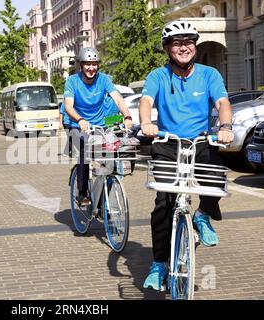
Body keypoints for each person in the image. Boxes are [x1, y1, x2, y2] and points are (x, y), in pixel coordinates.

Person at [139, 20, 234, 291]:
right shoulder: (158, 76)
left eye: (189, 42)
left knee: (216, 182)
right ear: (168, 48)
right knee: (163, 205)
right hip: (168, 144)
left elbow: (223, 103)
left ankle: (202, 215)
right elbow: (146, 101)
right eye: (177, 43)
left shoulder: (209, 74)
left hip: (201, 142)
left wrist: (225, 127)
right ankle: (159, 265)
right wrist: (147, 123)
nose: (184, 47)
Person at [64, 47, 133, 205]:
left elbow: (118, 98)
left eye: (94, 64)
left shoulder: (104, 79)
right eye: (87, 64)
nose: (91, 68)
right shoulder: (72, 81)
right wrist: (80, 119)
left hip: (101, 125)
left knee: (114, 150)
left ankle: (106, 190)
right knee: (84, 148)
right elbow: (68, 106)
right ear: (81, 65)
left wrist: (127, 116)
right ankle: (82, 192)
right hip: (78, 124)